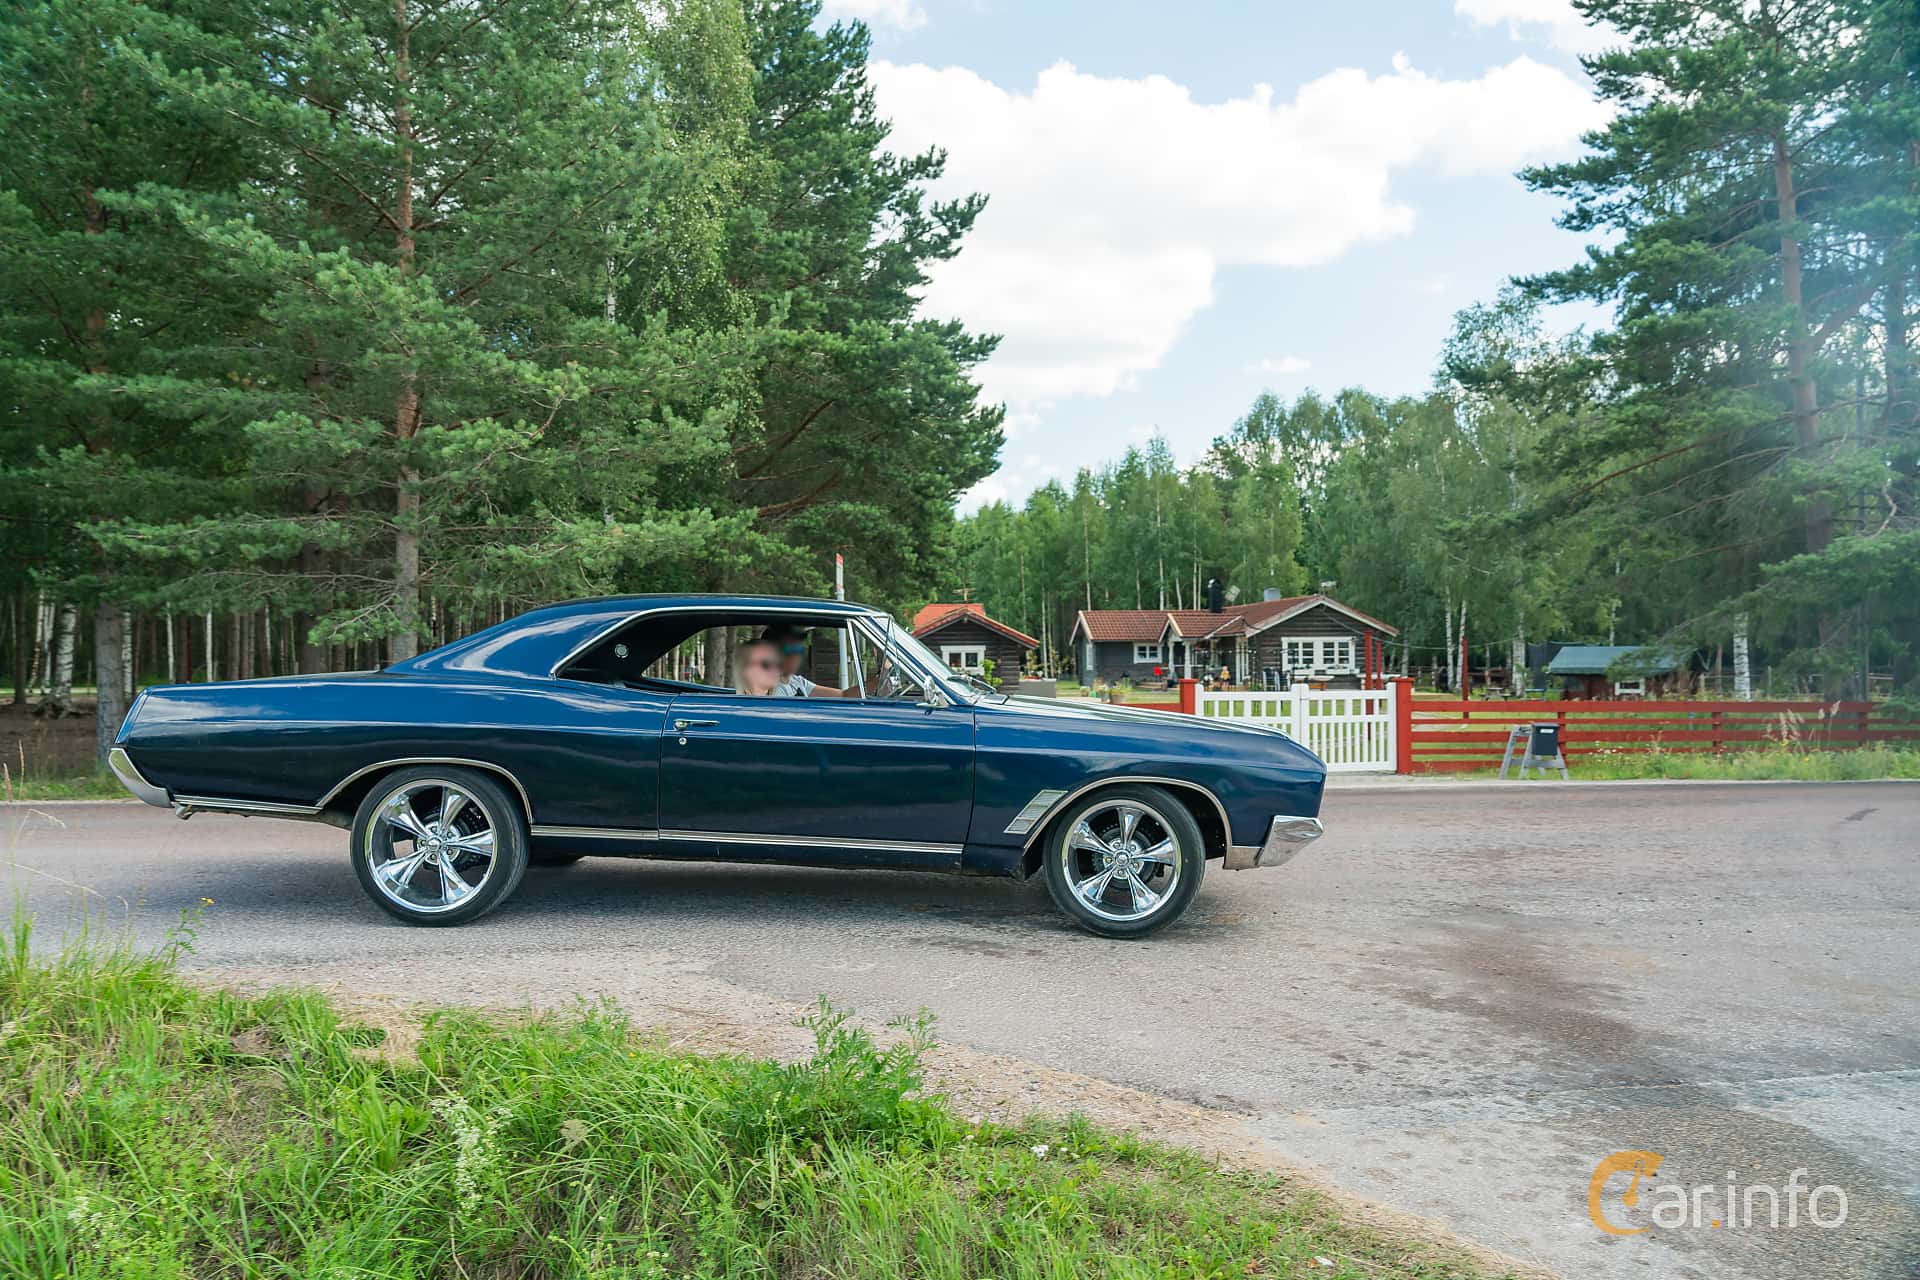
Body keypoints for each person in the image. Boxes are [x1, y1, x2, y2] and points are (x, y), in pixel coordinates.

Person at [760, 624, 882, 698]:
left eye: (798, 648)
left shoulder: (796, 682)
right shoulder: (770, 689)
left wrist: (879, 679)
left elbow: (843, 695)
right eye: (790, 648)